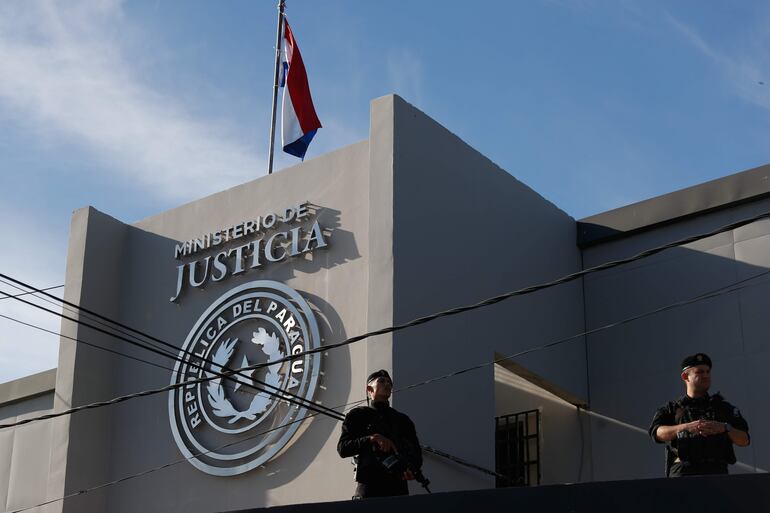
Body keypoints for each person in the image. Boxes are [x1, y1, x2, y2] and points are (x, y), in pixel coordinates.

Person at [648, 353, 750, 477]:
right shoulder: (672, 409)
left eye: (708, 371)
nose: (706, 375)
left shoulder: (723, 408)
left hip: (717, 473)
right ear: (685, 376)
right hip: (683, 473)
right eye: (700, 372)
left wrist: (725, 428)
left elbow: (744, 439)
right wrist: (685, 427)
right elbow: (656, 433)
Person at [337, 369, 423, 499]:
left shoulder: (402, 420)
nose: (387, 384)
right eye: (381, 381)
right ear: (369, 389)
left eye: (389, 382)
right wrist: (371, 439)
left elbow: (416, 452)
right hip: (369, 486)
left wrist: (411, 468)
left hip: (397, 488)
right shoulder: (357, 415)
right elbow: (343, 448)